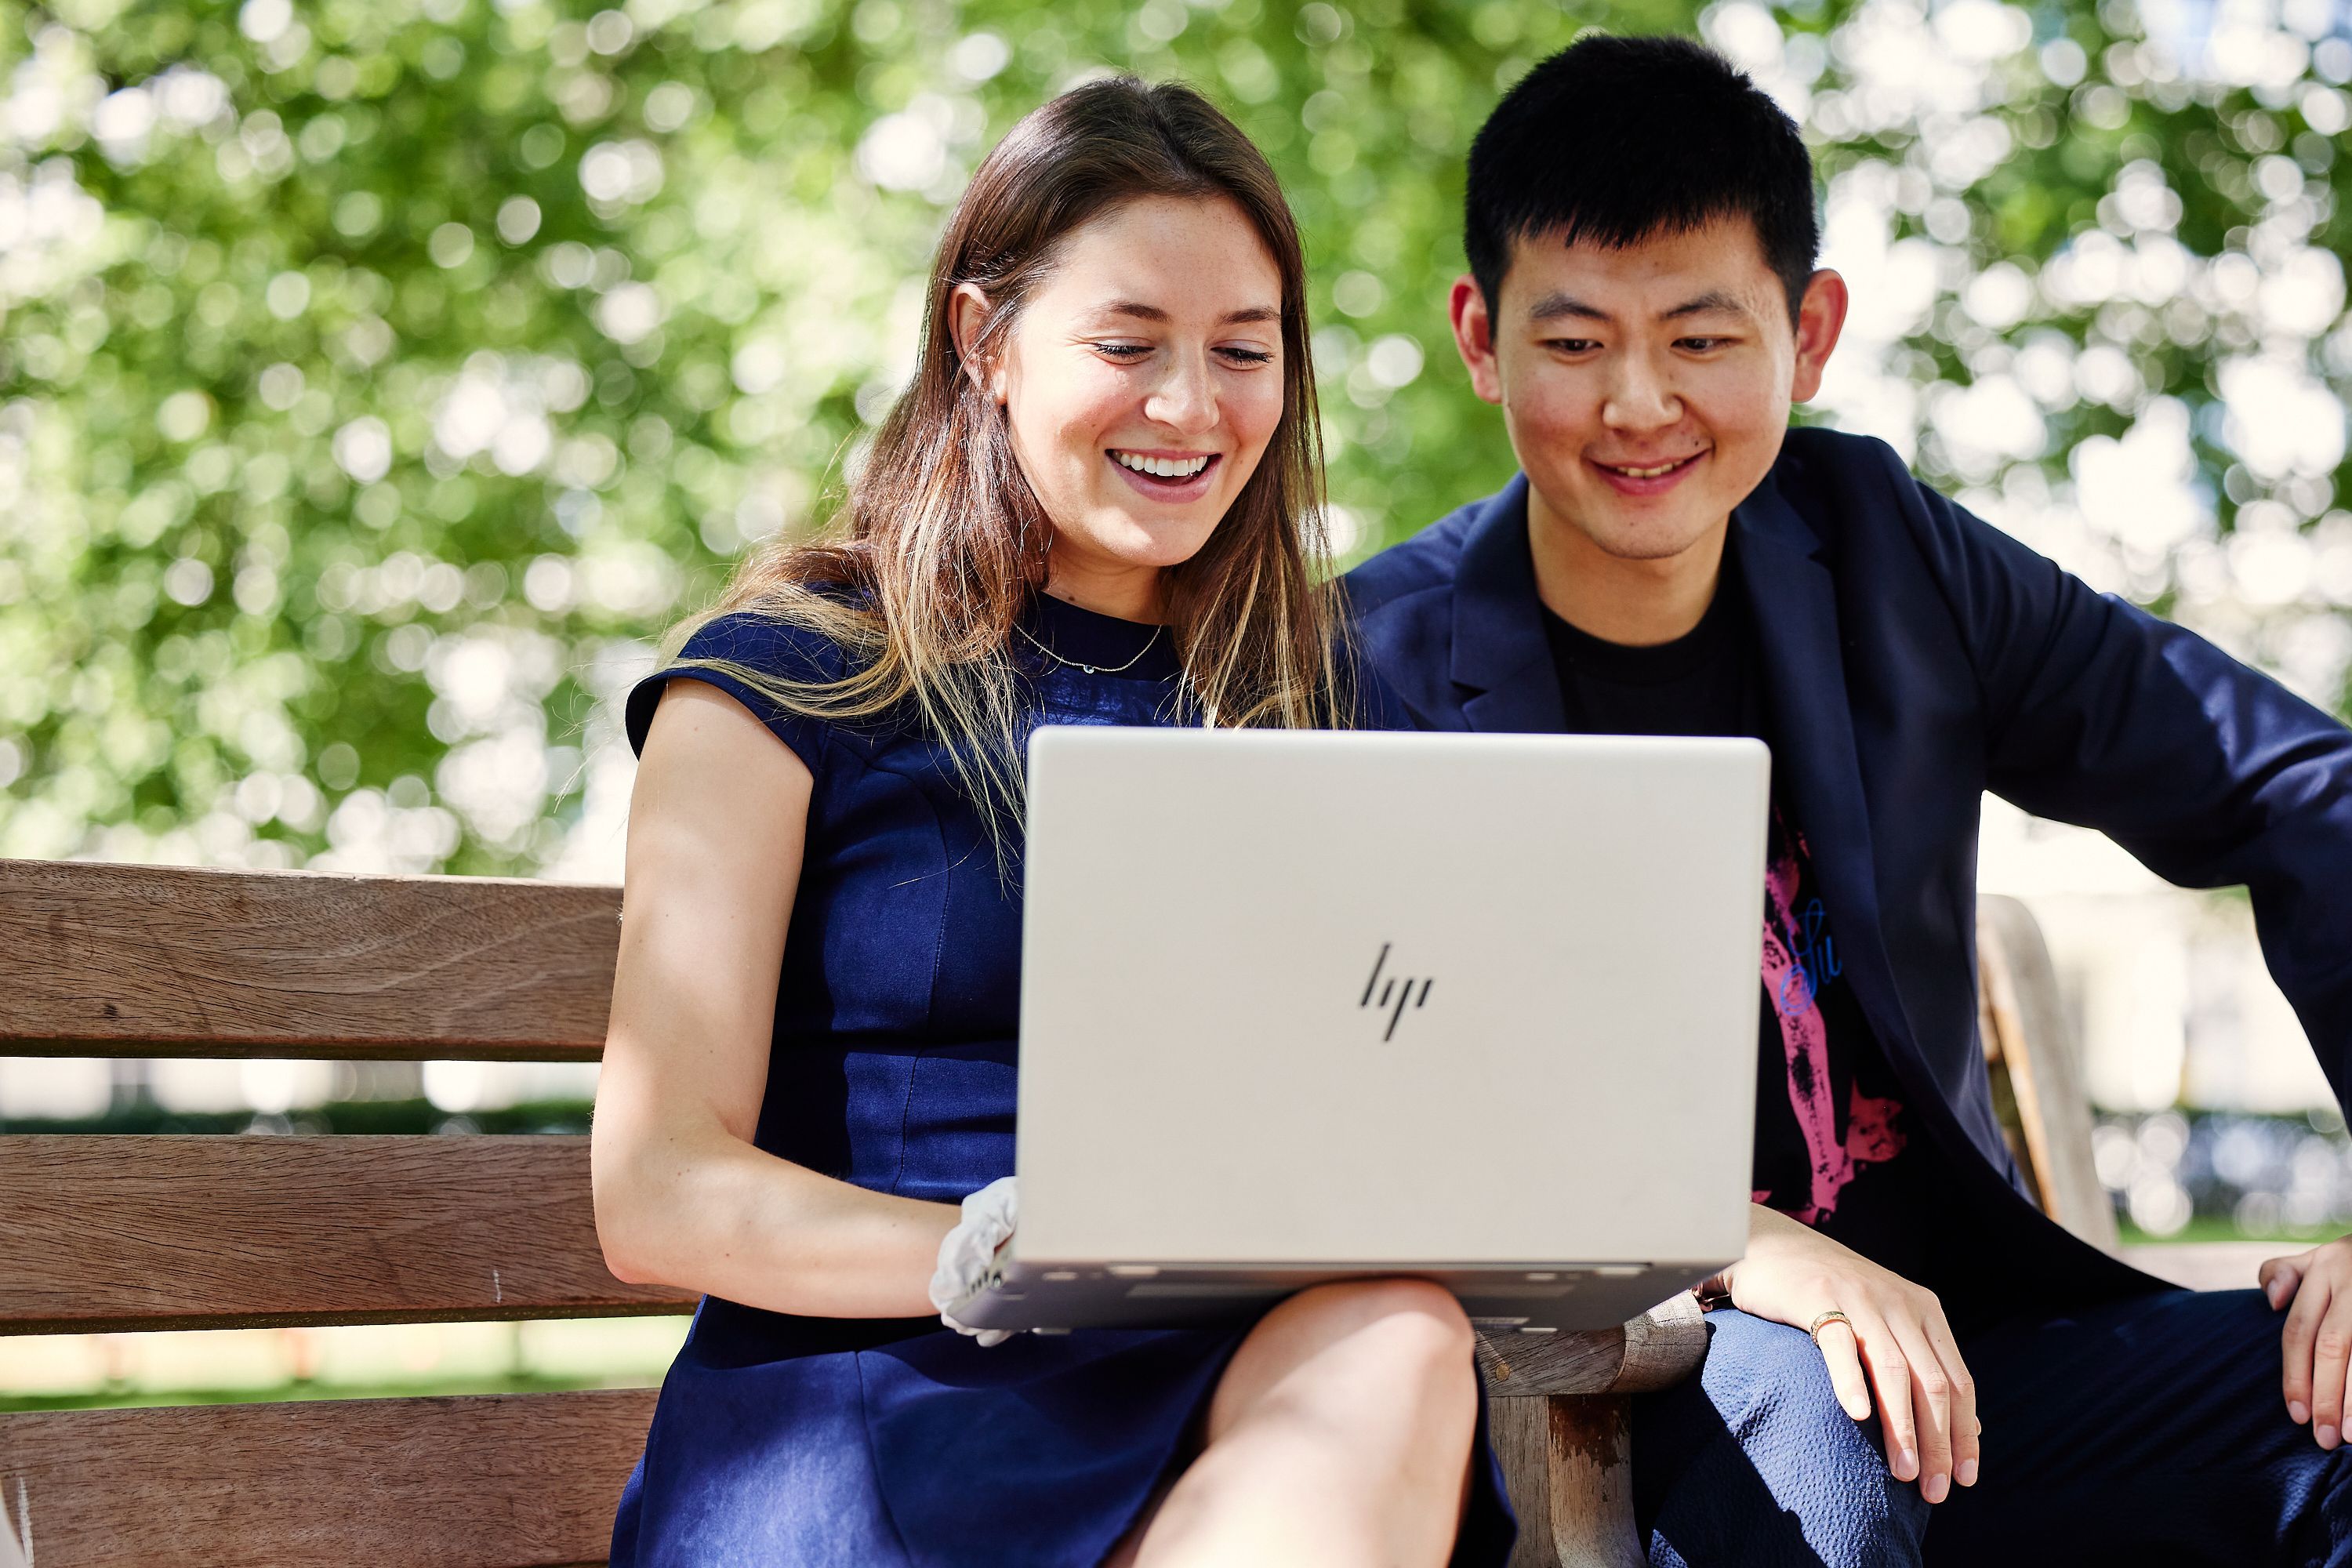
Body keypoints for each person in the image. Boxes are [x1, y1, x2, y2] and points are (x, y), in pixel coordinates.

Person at [1345, 34, 2352, 1568]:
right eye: (1573, 344)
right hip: (1634, 1383)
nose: (1636, 405)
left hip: (1979, 1363)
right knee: (1813, 1425)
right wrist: (1733, 1238)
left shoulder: (1887, 553)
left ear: (1808, 335)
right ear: (1480, 337)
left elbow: (2293, 781)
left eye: (1699, 338)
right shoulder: (1373, 664)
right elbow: (1358, 1103)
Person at [591, 78, 1514, 1567]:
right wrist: (1008, 1250)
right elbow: (657, 1192)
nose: (1191, 408)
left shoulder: (1321, 696)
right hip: (881, 1390)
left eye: (1242, 352)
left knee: (1397, 1336)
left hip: (1232, 1394)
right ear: (983, 342)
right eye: (1128, 344)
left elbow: (1448, 1070)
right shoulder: (793, 679)